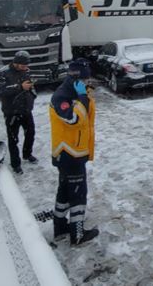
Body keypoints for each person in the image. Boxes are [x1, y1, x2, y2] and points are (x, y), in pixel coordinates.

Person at [49, 58, 99, 245]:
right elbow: (75, 119)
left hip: (72, 152)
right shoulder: (62, 96)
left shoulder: (72, 91)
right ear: (79, 78)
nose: (87, 83)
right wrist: (83, 98)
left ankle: (60, 225)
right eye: (86, 80)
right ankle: (77, 235)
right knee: (78, 193)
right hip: (69, 154)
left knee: (65, 191)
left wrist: (85, 95)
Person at [0, 50, 37, 175]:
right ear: (16, 63)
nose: (26, 68)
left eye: (27, 66)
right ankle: (15, 164)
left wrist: (32, 93)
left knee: (30, 132)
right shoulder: (2, 73)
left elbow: (29, 86)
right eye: (24, 66)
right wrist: (20, 87)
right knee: (13, 139)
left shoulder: (26, 71)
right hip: (11, 111)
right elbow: (0, 90)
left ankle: (27, 153)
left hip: (26, 109)